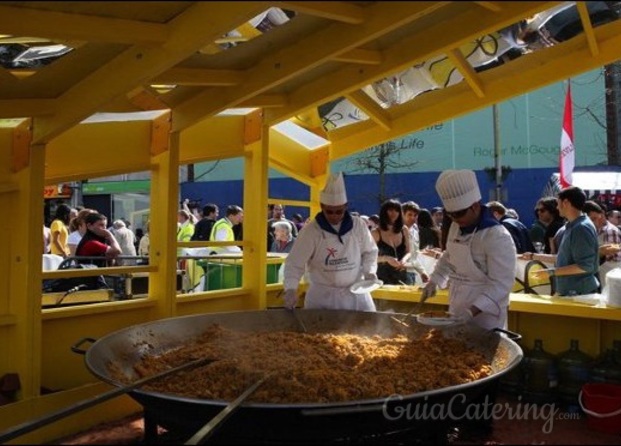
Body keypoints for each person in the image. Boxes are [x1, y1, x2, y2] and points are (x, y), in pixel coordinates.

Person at [421, 170, 517, 330]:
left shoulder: (497, 236)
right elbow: (449, 256)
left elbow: (501, 284)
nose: (456, 220)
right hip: (457, 305)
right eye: (451, 216)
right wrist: (434, 281)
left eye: (459, 214)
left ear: (475, 206)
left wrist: (471, 312)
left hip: (486, 315)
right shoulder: (455, 225)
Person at [283, 172, 379, 311]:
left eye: (339, 211)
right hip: (323, 297)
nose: (334, 216)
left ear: (345, 206)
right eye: (329, 212)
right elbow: (295, 263)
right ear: (322, 207)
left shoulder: (358, 225)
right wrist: (291, 289)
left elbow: (370, 252)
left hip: (355, 293)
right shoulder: (311, 231)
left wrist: (370, 271)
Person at [524, 186, 600, 296]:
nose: (557, 207)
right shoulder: (573, 226)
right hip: (573, 293)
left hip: (579, 295)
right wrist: (532, 256)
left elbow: (585, 266)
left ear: (566, 202)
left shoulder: (581, 228)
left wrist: (550, 272)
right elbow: (563, 258)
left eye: (558, 203)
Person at [371, 199, 410, 285]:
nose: (394, 213)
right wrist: (386, 259)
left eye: (397, 210)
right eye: (390, 210)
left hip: (401, 275)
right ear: (384, 212)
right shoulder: (375, 232)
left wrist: (404, 260)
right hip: (382, 278)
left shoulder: (404, 230)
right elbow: (368, 258)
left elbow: (408, 251)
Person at [402, 201, 429, 284]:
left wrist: (422, 271)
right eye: (409, 214)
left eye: (415, 215)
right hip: (400, 272)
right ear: (402, 214)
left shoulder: (415, 230)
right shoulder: (398, 231)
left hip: (412, 271)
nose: (412, 218)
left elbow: (415, 254)